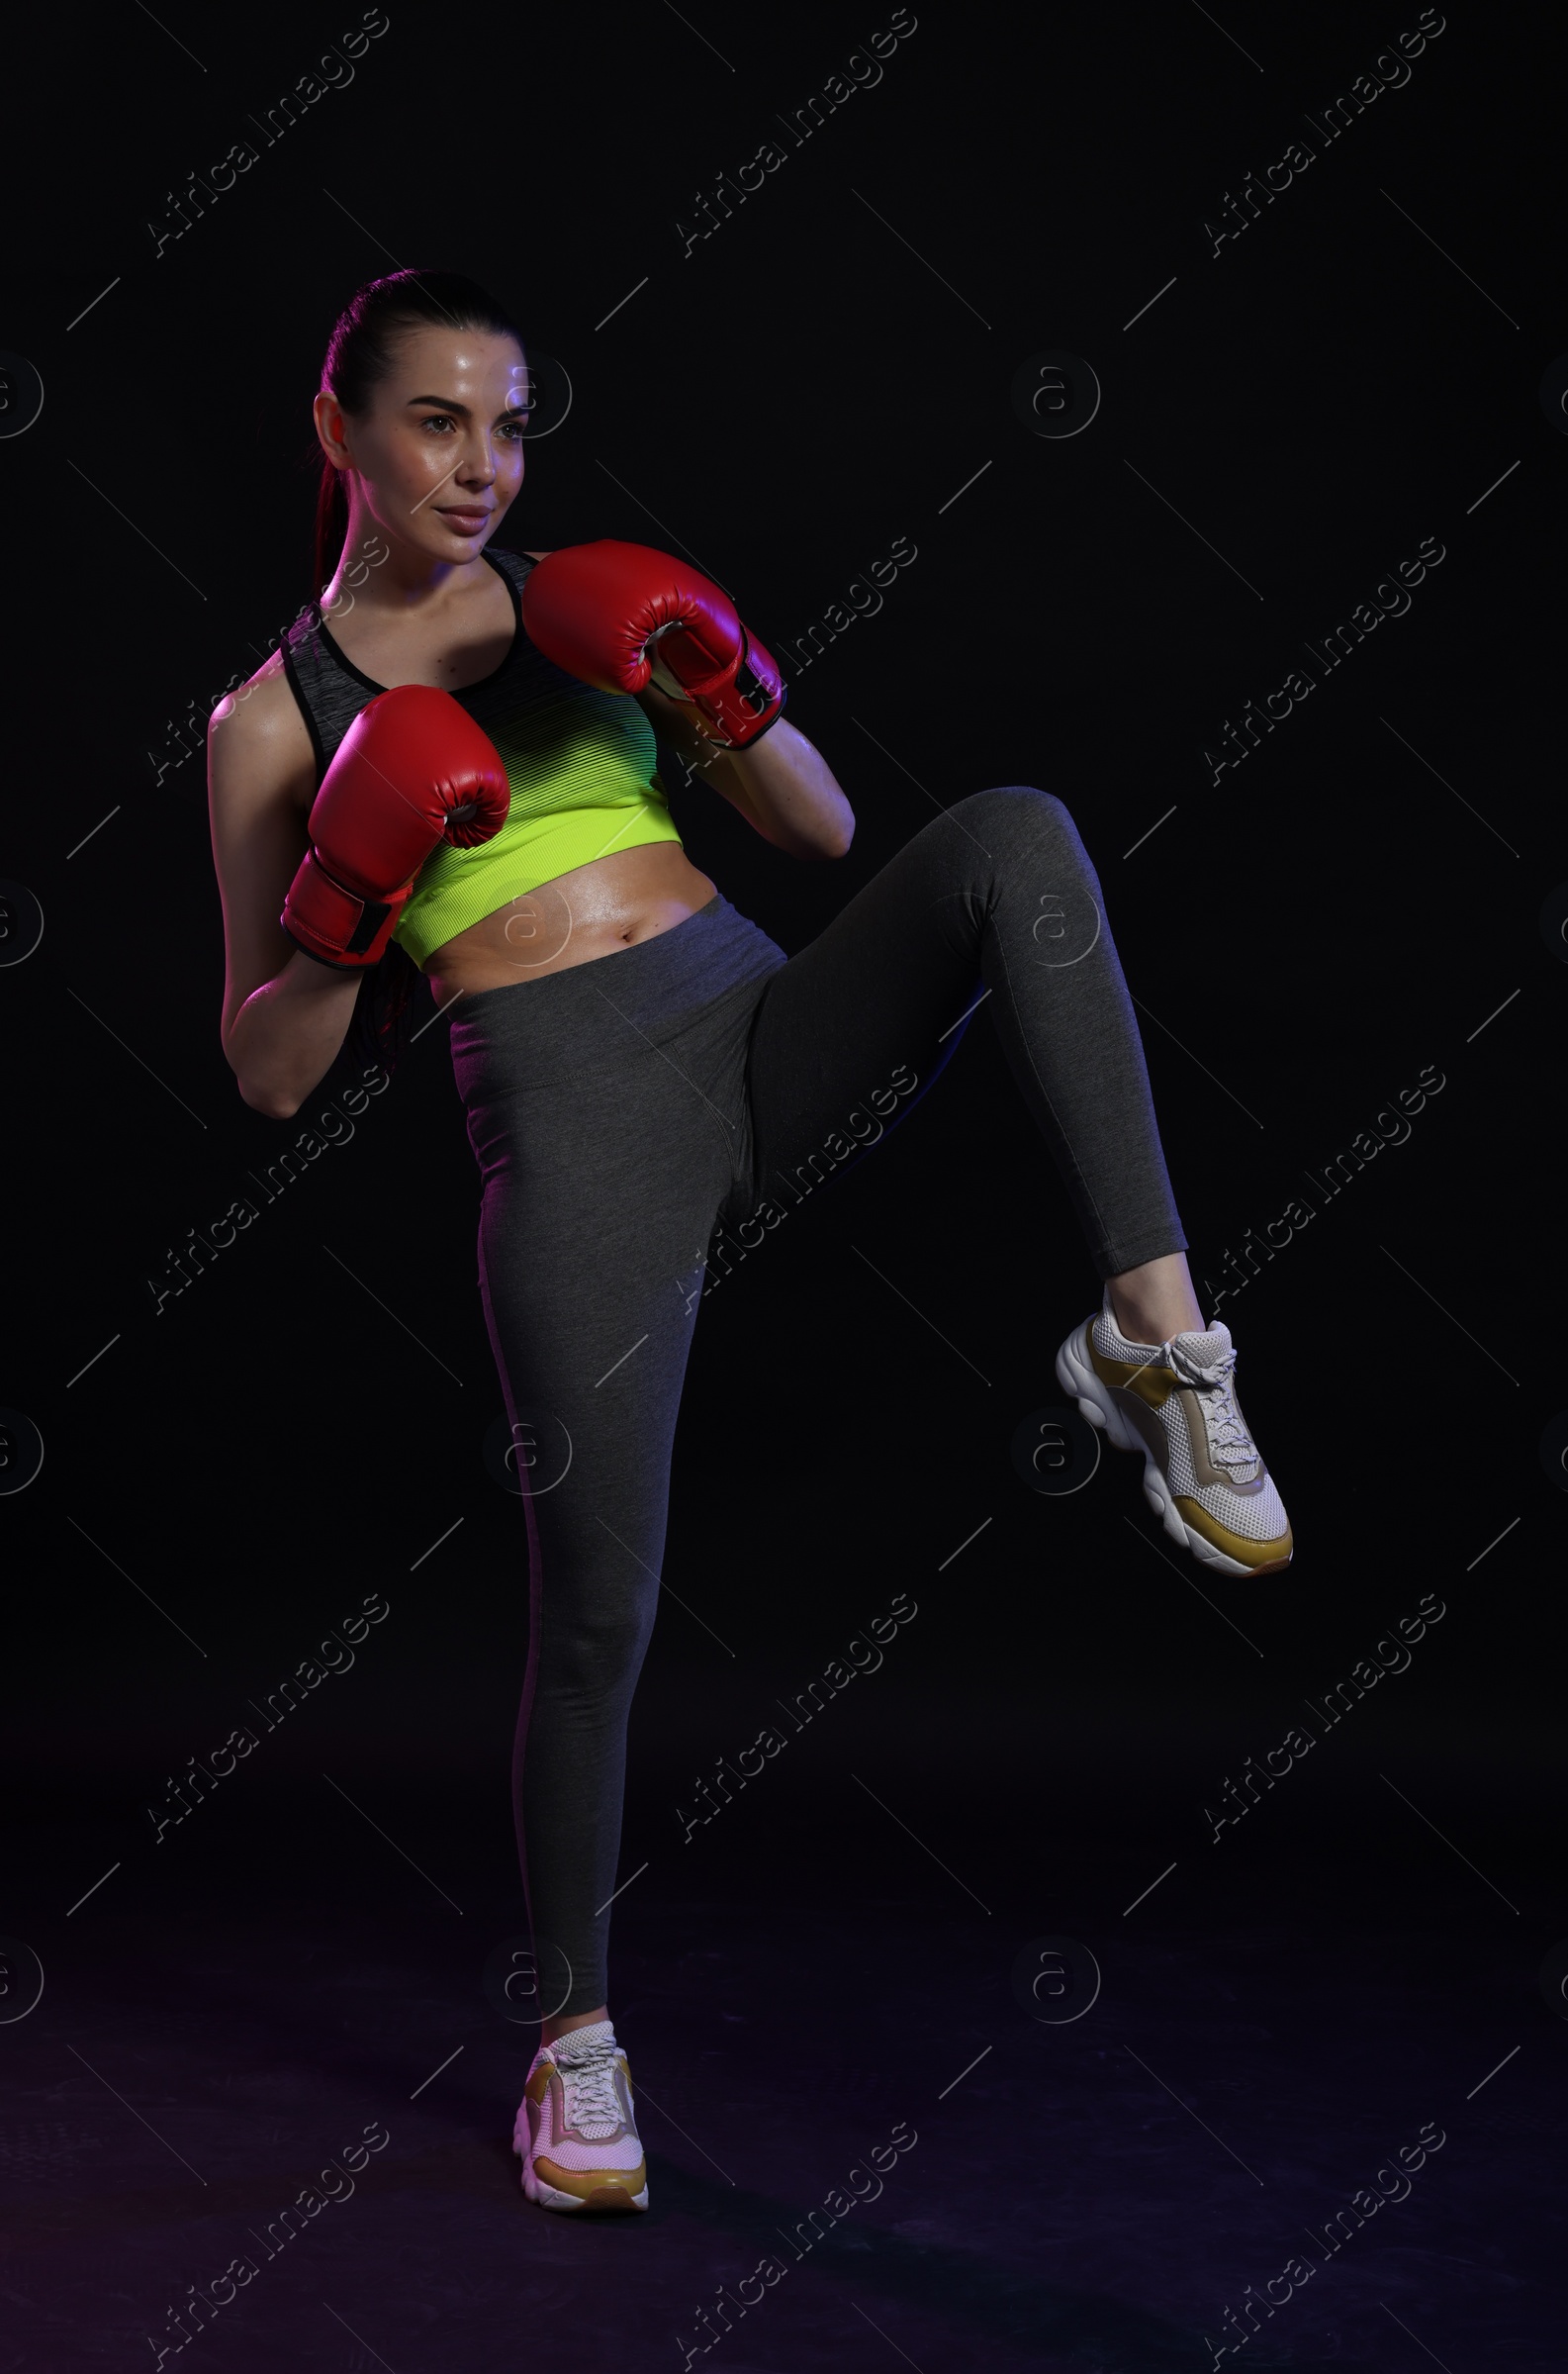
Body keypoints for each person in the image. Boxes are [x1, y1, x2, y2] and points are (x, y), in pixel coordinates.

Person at [207, 267, 1292, 2220]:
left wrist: (710, 675)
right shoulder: (270, 717)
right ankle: (576, 2053)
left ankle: (1158, 1344)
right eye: (439, 420)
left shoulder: (574, 607)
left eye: (510, 423)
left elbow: (818, 821)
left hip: (753, 1025)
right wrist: (343, 894)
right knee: (601, 1620)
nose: (481, 463)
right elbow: (271, 1071)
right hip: (568, 1122)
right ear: (338, 431)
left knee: (1013, 833)